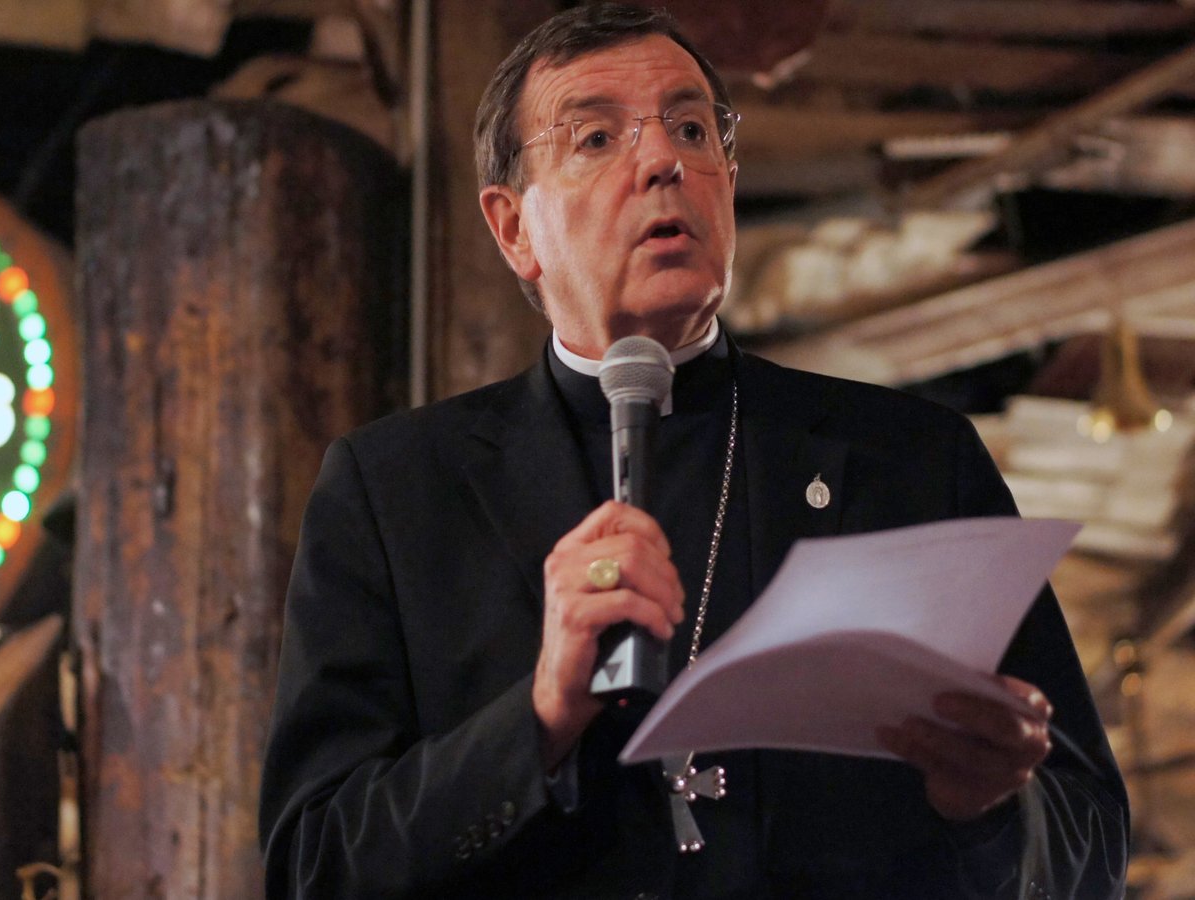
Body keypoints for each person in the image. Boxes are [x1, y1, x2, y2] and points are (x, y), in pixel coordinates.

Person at [258, 4, 1129, 898]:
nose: (664, 160)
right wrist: (539, 720)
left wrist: (988, 811)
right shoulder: (396, 489)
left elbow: (1090, 846)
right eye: (596, 138)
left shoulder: (909, 461)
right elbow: (313, 866)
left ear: (729, 176)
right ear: (514, 228)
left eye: (691, 128)